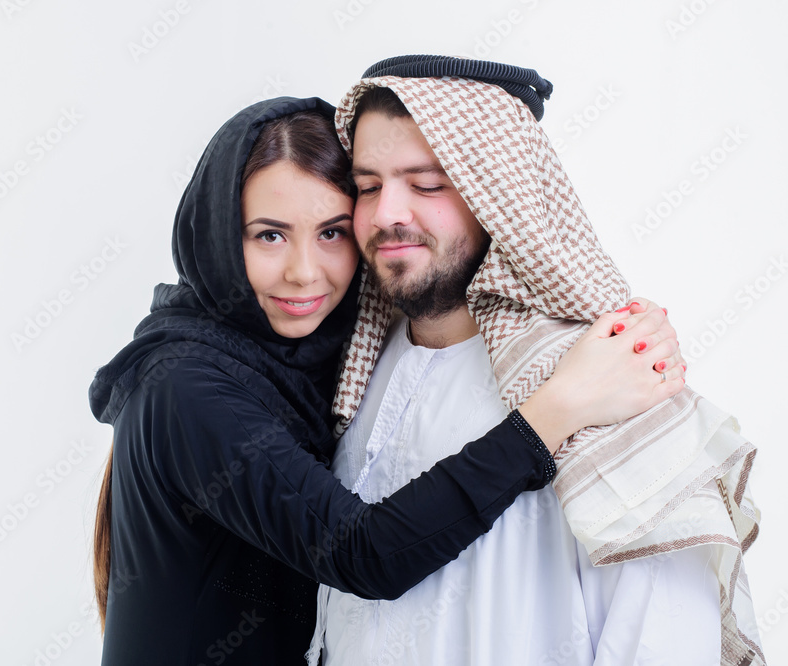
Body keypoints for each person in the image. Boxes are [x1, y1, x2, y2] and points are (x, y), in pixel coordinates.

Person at [88, 95, 684, 666]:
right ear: (216, 237)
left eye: (331, 233)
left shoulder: (334, 358)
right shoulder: (182, 388)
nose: (304, 273)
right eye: (269, 234)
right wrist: (558, 409)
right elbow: (363, 553)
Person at [308, 56, 762, 666]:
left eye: (428, 183)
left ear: (499, 199)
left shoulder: (607, 379)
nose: (387, 214)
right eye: (367, 186)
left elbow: (663, 638)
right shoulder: (354, 369)